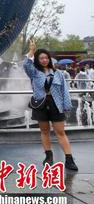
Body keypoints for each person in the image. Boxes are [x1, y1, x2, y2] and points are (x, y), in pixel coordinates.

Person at [23, 39, 78, 171]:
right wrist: (31, 50)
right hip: (41, 103)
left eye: (46, 58)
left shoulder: (58, 73)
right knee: (45, 131)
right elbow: (26, 64)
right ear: (37, 60)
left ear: (49, 59)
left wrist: (66, 106)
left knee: (60, 132)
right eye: (41, 58)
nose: (44, 60)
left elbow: (64, 91)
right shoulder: (34, 72)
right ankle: (48, 156)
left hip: (56, 103)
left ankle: (69, 159)